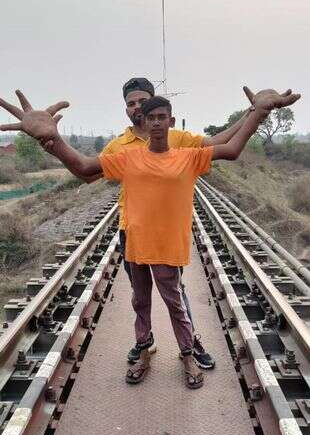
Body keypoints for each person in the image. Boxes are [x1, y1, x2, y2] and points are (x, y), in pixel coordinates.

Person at [0, 87, 300, 389]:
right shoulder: (127, 157)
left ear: (171, 121)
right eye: (150, 117)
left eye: (161, 117)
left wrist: (259, 111)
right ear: (142, 121)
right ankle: (143, 353)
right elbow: (85, 168)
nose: (156, 122)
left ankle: (187, 356)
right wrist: (51, 140)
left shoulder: (189, 156)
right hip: (135, 245)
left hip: (168, 247)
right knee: (140, 303)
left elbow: (232, 148)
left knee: (175, 304)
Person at [82, 77, 263, 369]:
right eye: (132, 103)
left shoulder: (176, 138)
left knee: (174, 291)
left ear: (163, 113)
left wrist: (252, 113)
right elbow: (89, 173)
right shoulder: (120, 146)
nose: (138, 108)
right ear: (126, 109)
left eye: (144, 101)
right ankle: (145, 342)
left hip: (166, 232)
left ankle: (190, 343)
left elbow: (221, 144)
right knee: (140, 297)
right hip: (132, 230)